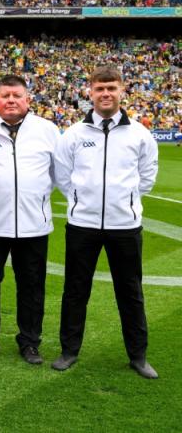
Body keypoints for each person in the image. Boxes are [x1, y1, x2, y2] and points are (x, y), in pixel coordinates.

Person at [52, 66, 159, 379]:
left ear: (122, 90)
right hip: (82, 225)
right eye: (100, 89)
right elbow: (62, 176)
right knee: (75, 290)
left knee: (130, 292)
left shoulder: (140, 134)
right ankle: (69, 351)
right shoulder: (74, 134)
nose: (106, 94)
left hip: (124, 226)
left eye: (111, 88)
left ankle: (138, 356)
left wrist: (123, 202)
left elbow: (147, 178)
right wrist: (81, 202)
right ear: (90, 92)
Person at [0, 75, 60, 364]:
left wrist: (33, 197)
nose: (10, 100)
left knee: (32, 285)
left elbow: (56, 175)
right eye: (5, 95)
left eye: (16, 95)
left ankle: (30, 342)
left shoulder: (47, 130)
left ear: (27, 100)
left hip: (34, 225)